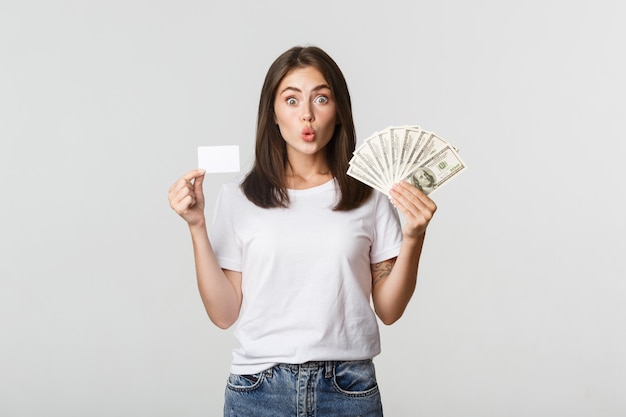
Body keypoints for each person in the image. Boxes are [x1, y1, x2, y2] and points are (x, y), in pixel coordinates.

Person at [168, 45, 437, 416]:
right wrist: (196, 226)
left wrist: (413, 238)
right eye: (291, 100)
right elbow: (224, 314)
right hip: (259, 390)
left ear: (339, 111)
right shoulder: (238, 197)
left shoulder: (370, 195)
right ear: (273, 113)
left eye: (321, 98)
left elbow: (389, 310)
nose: (307, 115)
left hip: (348, 389)